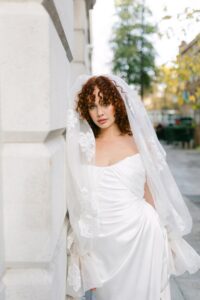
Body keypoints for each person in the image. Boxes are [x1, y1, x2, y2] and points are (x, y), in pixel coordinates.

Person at [65, 74, 200, 300]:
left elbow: (150, 193)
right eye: (92, 106)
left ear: (116, 103)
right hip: (103, 247)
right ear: (85, 110)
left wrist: (167, 236)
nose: (100, 112)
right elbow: (78, 201)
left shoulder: (139, 142)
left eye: (105, 103)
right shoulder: (82, 147)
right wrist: (85, 257)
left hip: (144, 237)